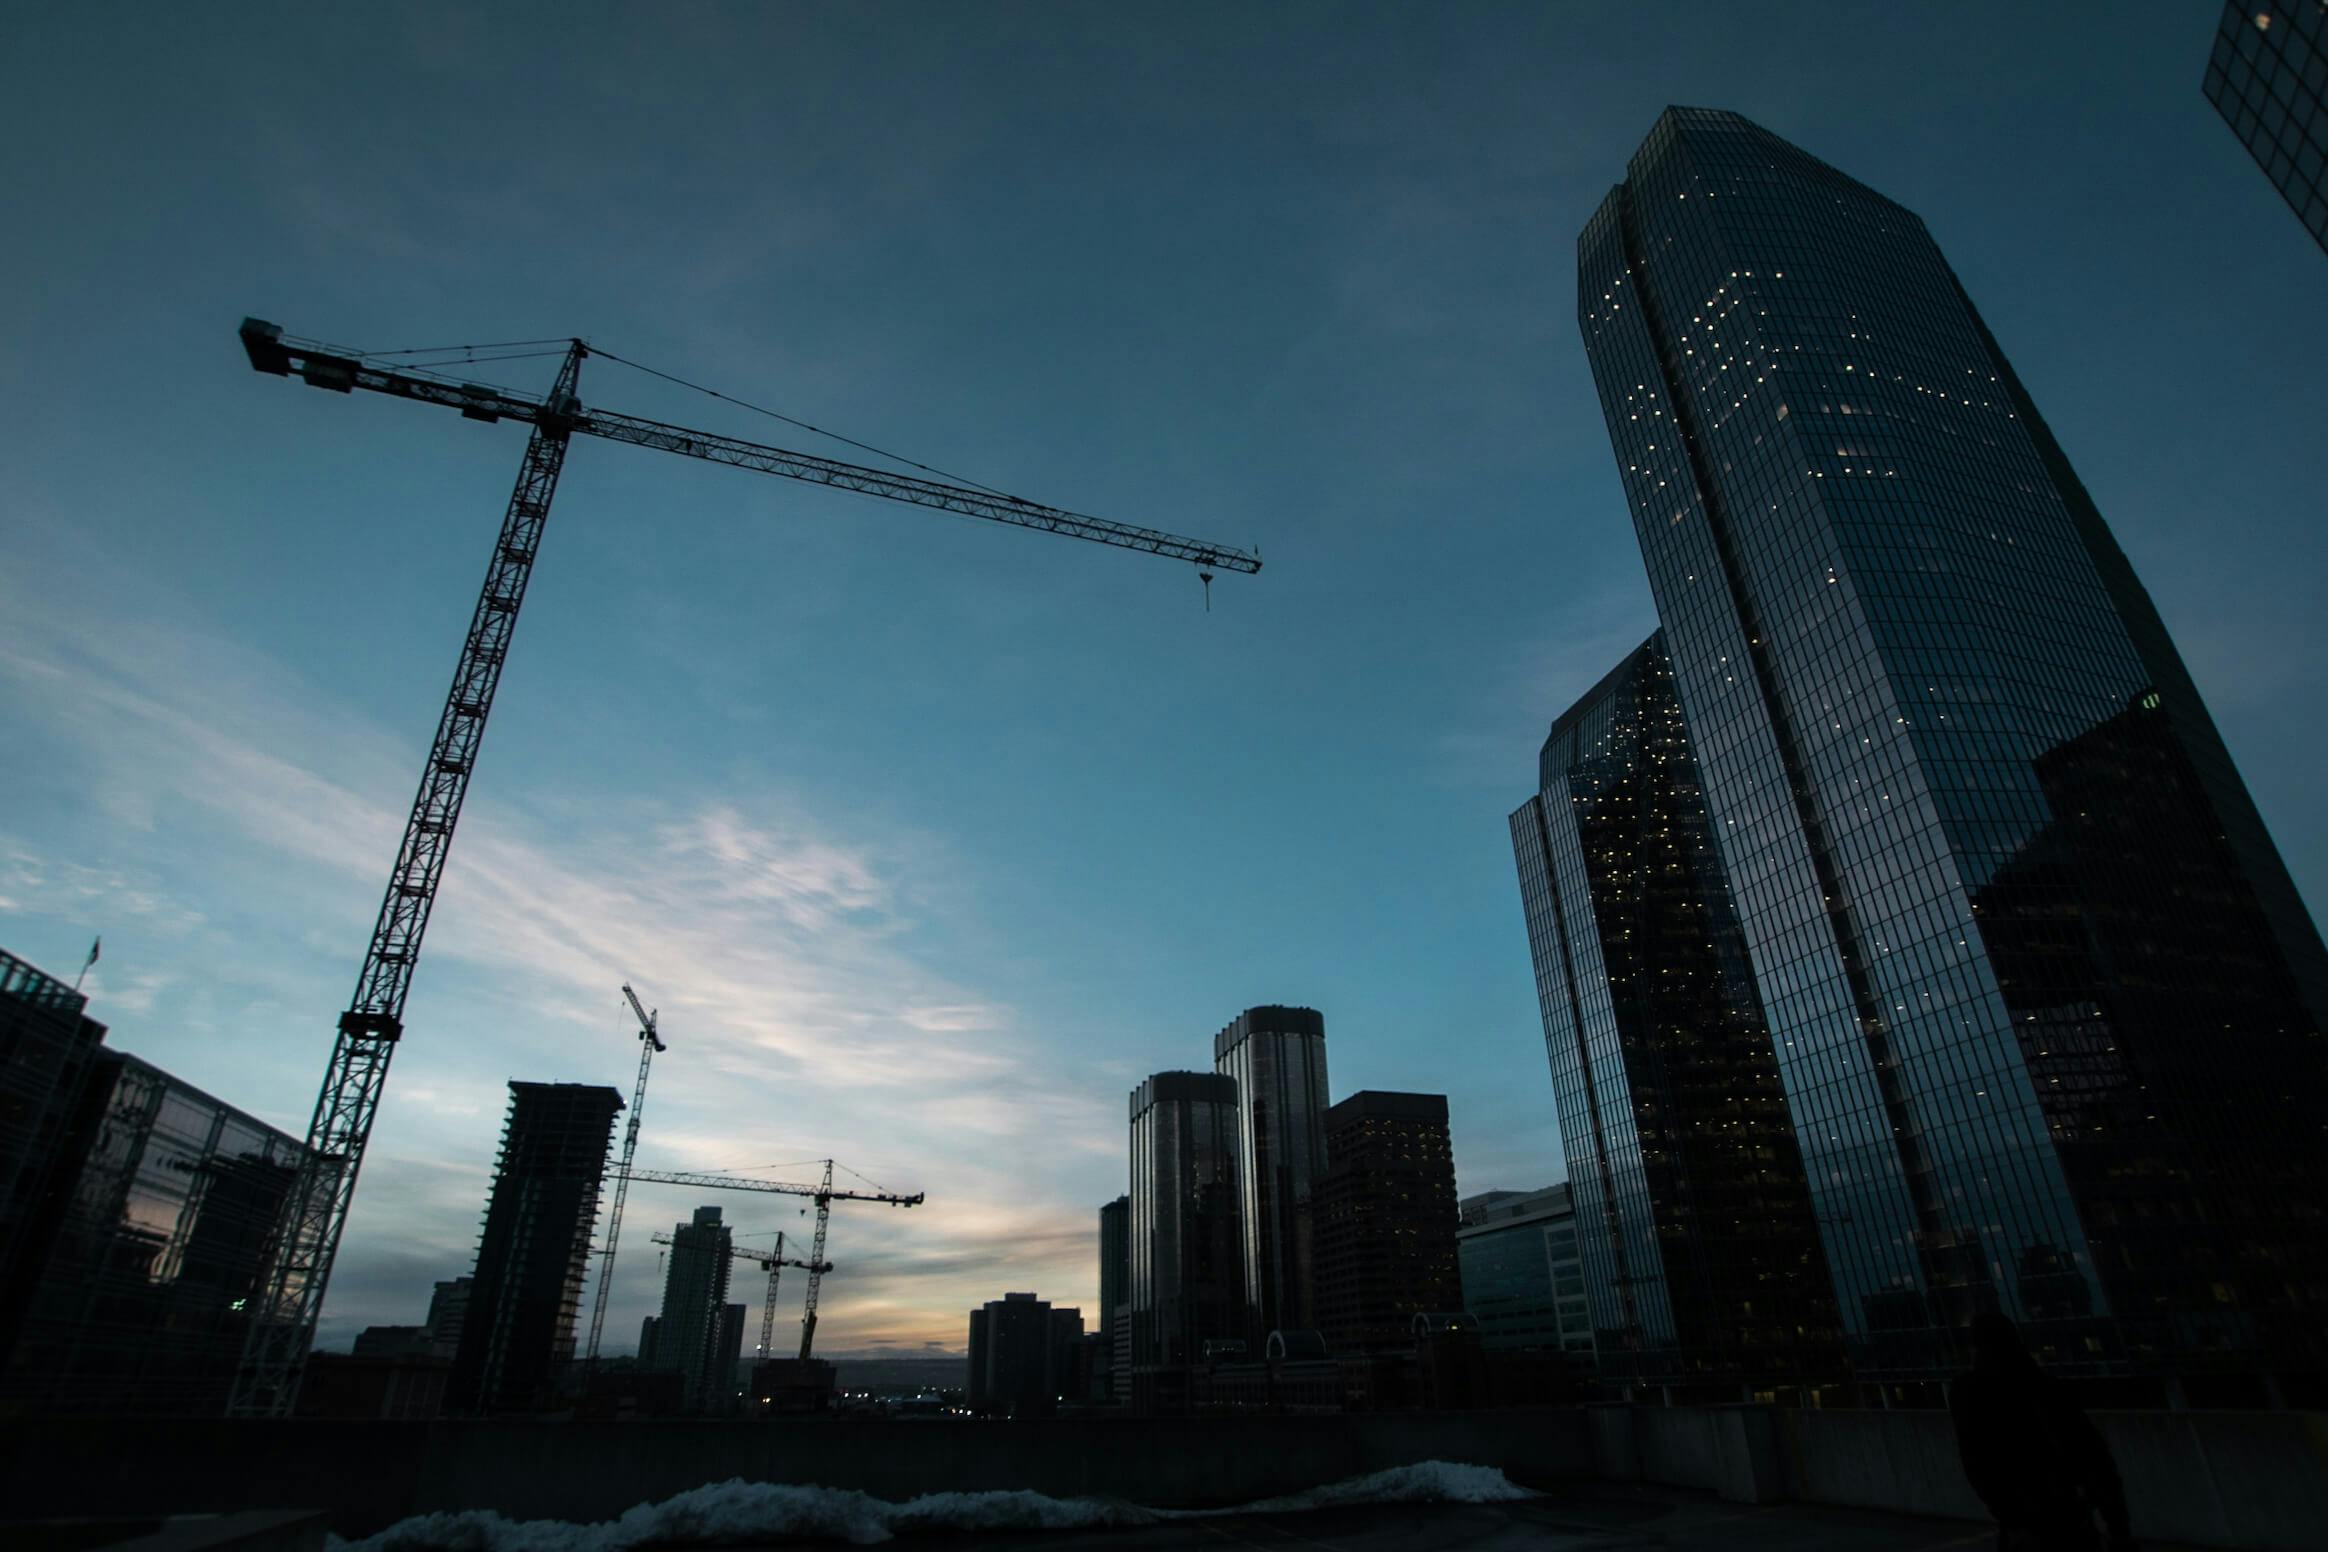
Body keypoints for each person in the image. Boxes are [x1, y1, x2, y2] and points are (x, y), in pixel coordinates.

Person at [1948, 1312, 2133, 1552]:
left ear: (1976, 1346)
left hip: (2028, 1525)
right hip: (2067, 1519)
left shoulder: (1969, 1394)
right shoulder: (2047, 1389)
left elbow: (1976, 1463)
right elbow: (2098, 1462)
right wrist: (2119, 1531)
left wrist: (2011, 1512)